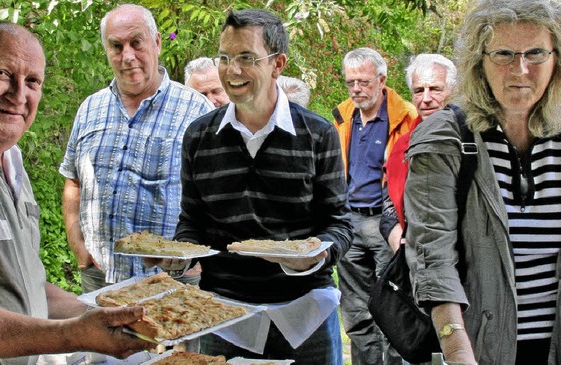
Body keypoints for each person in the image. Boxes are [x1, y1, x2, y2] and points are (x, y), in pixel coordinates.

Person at [0, 21, 153, 364]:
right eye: (1, 73)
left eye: (32, 81)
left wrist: (123, 312)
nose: (18, 95)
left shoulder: (10, 158)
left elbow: (29, 290)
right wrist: (75, 334)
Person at [148, 9, 352, 365]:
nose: (232, 70)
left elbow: (340, 223)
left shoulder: (318, 134)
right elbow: (192, 223)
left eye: (246, 57)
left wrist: (316, 255)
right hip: (225, 317)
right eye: (225, 58)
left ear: (278, 63)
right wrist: (179, 257)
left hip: (306, 313)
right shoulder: (199, 136)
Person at [404, 0, 561, 364]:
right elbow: (433, 260)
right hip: (481, 349)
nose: (520, 69)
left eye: (536, 52)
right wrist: (457, 350)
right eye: (504, 54)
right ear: (479, 62)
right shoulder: (445, 137)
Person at [59, 4, 213, 292]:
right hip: (100, 274)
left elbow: (219, 192)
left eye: (136, 43)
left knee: (173, 338)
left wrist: (201, 258)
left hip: (172, 280)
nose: (127, 56)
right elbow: (74, 180)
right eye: (116, 46)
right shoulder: (90, 108)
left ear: (156, 43)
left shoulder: (197, 110)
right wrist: (77, 244)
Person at [332, 47, 417, 365]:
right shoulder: (343, 116)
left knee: (394, 306)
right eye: (351, 82)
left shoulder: (405, 117)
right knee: (356, 312)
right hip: (350, 222)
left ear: (382, 80)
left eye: (364, 82)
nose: (356, 89)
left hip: (387, 223)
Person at [379, 54, 457, 253]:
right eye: (419, 91)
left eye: (435, 89)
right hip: (416, 254)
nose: (426, 99)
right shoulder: (402, 147)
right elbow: (389, 206)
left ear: (454, 91)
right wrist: (397, 237)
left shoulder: (473, 140)